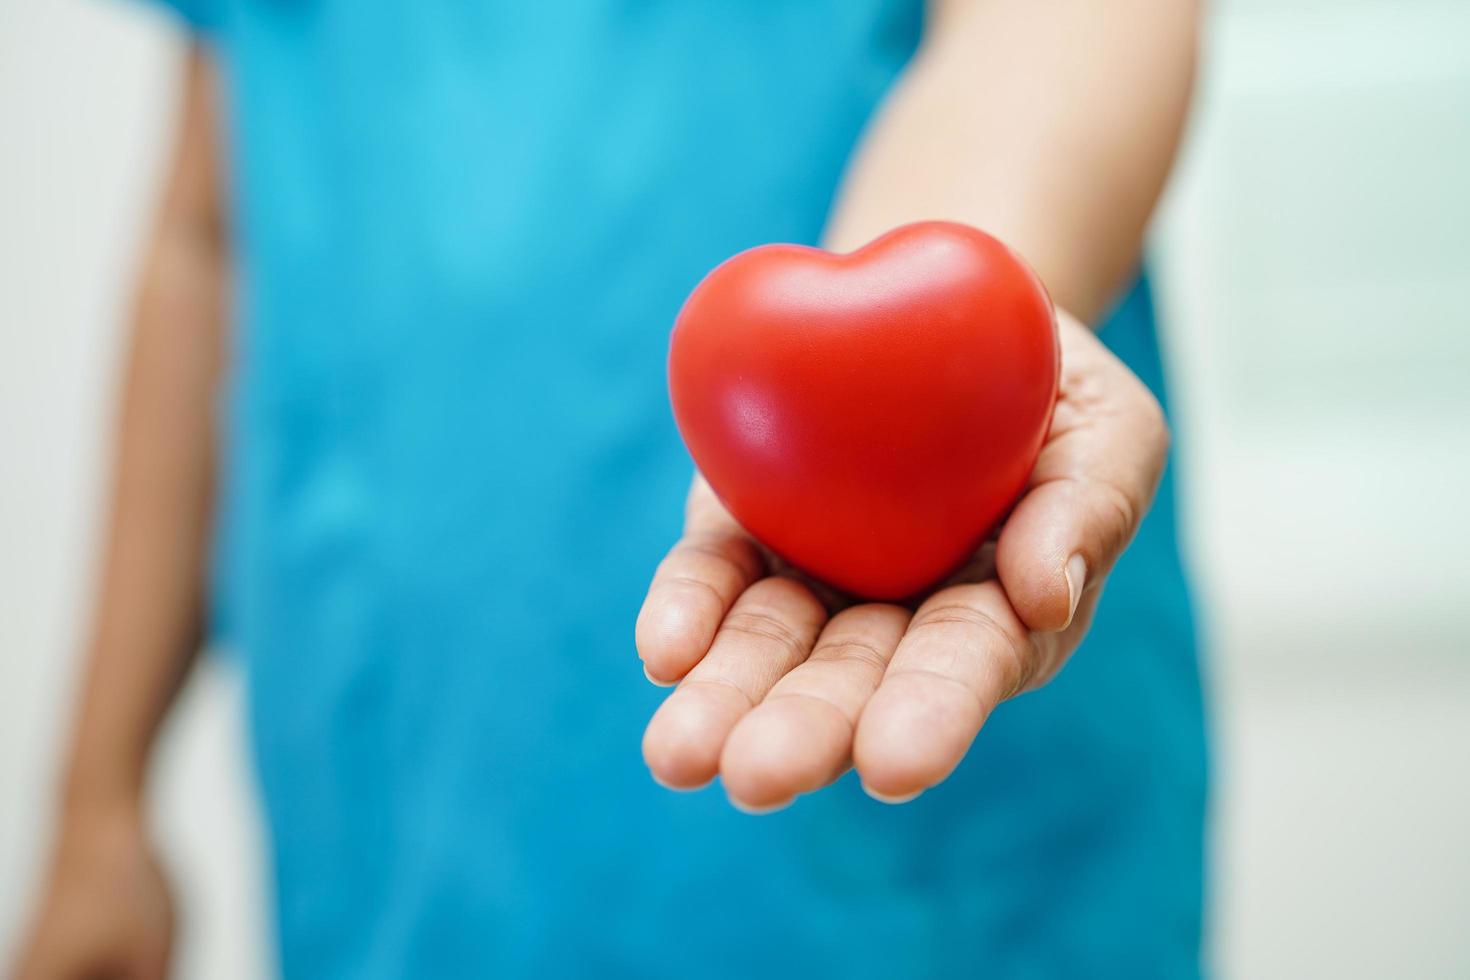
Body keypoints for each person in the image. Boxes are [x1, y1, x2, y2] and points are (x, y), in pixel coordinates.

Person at [16, 1, 1207, 977]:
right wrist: (98, 795)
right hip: (407, 800)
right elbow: (209, 245)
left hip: (916, 855)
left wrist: (962, 317)